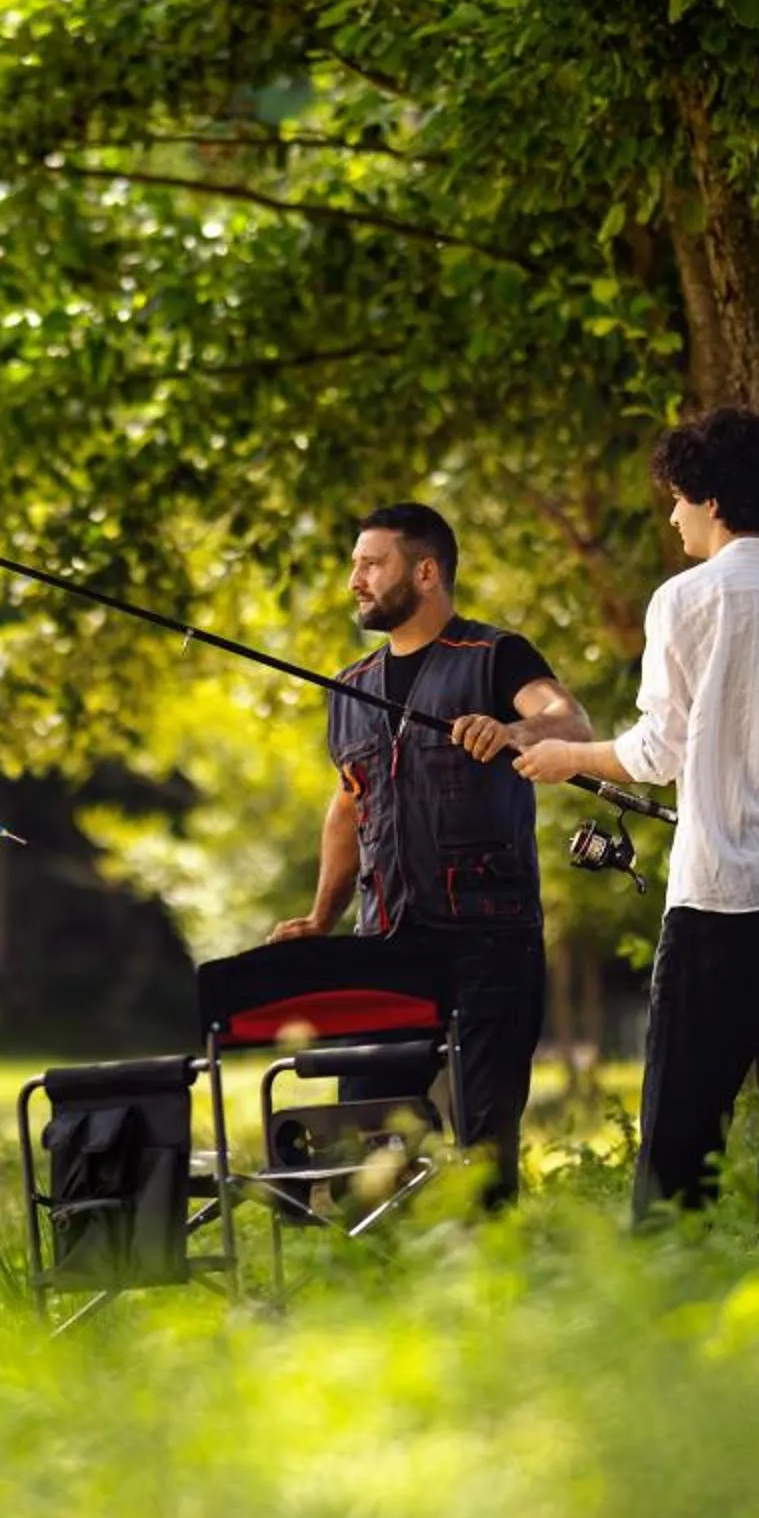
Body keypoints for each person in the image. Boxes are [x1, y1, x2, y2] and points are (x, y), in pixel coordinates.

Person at [514, 408, 759, 1220]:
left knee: (681, 1122)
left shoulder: (686, 598)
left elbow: (656, 753)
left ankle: (676, 1294)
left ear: (712, 498)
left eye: (679, 498)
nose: (674, 515)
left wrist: (569, 758)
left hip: (716, 897)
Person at [269, 502, 593, 1210]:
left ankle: (490, 1279)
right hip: (384, 939)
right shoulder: (349, 687)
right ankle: (388, 1281)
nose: (355, 578)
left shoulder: (497, 655)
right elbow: (348, 805)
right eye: (354, 563)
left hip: (490, 938)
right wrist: (322, 913)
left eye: (371, 563)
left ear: (425, 571)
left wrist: (511, 729)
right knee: (364, 1137)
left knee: (485, 1146)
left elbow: (569, 720)